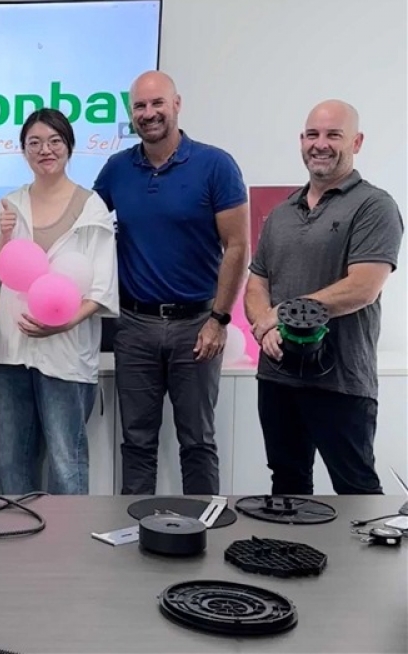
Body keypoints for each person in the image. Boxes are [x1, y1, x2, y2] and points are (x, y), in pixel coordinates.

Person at [93, 71, 249, 496]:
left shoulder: (215, 165)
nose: (149, 113)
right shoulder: (117, 169)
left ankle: (205, 526)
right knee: (136, 442)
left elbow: (237, 246)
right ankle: (134, 529)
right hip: (134, 326)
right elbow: (82, 226)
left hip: (197, 327)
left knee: (197, 442)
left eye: (157, 103)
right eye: (140, 107)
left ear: (176, 104)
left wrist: (219, 320)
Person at [245, 100, 403, 495]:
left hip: (341, 381)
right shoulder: (281, 213)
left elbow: (363, 287)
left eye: (334, 135)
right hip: (278, 377)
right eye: (313, 134)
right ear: (302, 140)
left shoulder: (374, 206)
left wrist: (281, 313)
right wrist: (264, 326)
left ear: (356, 142)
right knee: (287, 485)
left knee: (356, 490)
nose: (321, 144)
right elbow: (257, 282)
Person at [0, 108, 119, 495]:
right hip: (14, 350)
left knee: (66, 459)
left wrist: (63, 322)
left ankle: (69, 534)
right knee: (11, 458)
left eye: (54, 141)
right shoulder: (8, 206)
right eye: (35, 143)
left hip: (66, 351)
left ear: (69, 146)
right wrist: (4, 239)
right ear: (24, 150)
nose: (45, 150)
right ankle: (16, 529)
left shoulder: (92, 207)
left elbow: (101, 285)